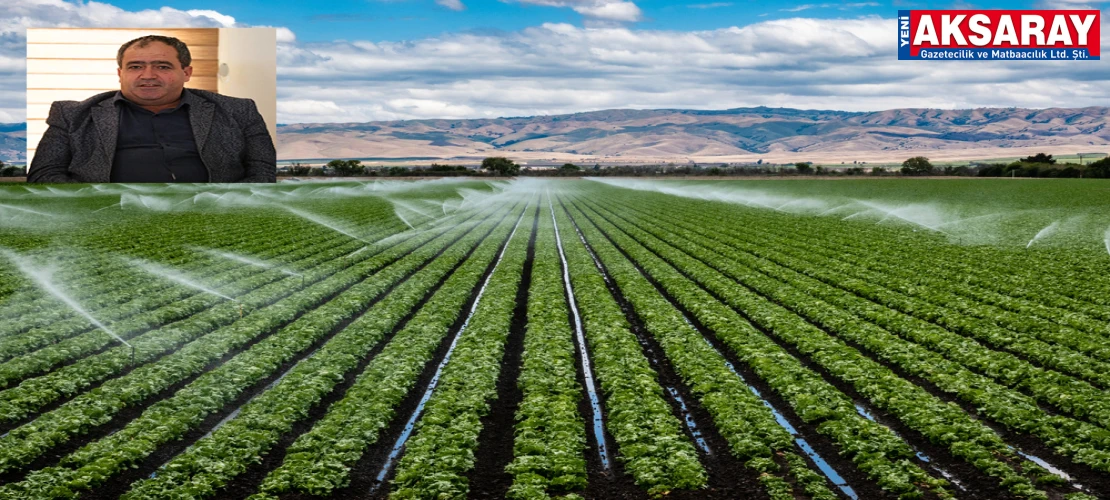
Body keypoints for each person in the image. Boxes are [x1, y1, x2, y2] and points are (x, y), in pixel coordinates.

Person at [28, 35, 275, 183]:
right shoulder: (72, 115)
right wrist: (97, 208)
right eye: (135, 67)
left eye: (162, 67)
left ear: (186, 72)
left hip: (216, 217)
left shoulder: (238, 110)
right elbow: (44, 175)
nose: (148, 76)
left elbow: (263, 173)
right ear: (120, 73)